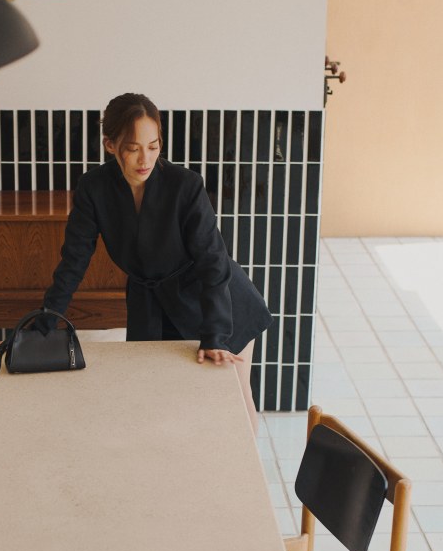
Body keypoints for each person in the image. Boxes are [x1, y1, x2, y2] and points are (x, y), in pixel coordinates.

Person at [42, 92, 273, 433]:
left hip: (217, 305)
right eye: (133, 147)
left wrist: (215, 337)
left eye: (154, 145)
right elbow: (74, 261)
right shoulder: (94, 188)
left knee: (234, 401)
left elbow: (213, 262)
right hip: (150, 308)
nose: (145, 158)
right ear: (110, 144)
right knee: (155, 405)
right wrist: (42, 327)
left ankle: (248, 485)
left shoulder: (186, 186)